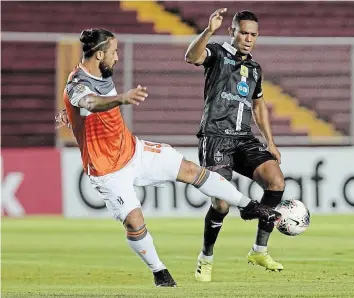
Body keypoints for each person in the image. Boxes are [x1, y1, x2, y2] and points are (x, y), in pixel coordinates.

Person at [56, 28, 281, 287]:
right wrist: (121, 99)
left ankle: (250, 206)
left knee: (191, 170)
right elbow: (91, 102)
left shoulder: (99, 71)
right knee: (134, 221)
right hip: (107, 170)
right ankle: (160, 272)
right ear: (98, 55)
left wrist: (69, 112)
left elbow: (83, 104)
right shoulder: (77, 84)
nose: (117, 58)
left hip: (133, 150)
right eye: (114, 53)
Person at [185, 9, 286, 281]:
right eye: (244, 32)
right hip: (215, 136)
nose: (249, 38)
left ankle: (259, 249)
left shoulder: (254, 69)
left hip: (243, 138)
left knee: (276, 181)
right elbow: (191, 56)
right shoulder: (217, 53)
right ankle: (205, 258)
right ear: (233, 31)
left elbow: (258, 104)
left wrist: (270, 142)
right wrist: (208, 31)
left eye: (253, 34)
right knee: (221, 204)